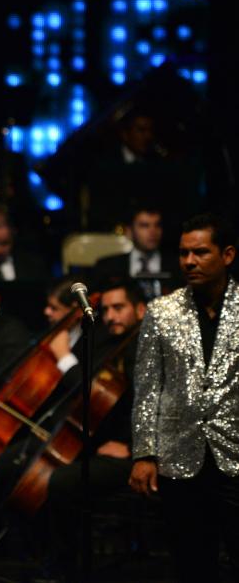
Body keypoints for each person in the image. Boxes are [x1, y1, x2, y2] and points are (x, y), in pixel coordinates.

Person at [129, 213, 239, 582]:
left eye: (201, 252)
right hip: (180, 457)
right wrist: (145, 452)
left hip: (235, 455)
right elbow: (147, 387)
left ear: (227, 255)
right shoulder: (162, 312)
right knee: (192, 564)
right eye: (183, 253)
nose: (189, 262)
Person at [44, 280, 146, 579]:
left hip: (137, 451)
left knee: (63, 480)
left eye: (119, 308)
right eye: (107, 310)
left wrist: (131, 447)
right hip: (108, 441)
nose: (111, 316)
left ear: (140, 309)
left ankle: (65, 568)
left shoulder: (143, 345)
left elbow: (154, 404)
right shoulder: (110, 342)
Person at [91, 206, 179, 300]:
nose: (153, 231)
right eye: (144, 225)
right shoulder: (107, 267)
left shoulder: (177, 265)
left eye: (157, 225)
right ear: (129, 231)